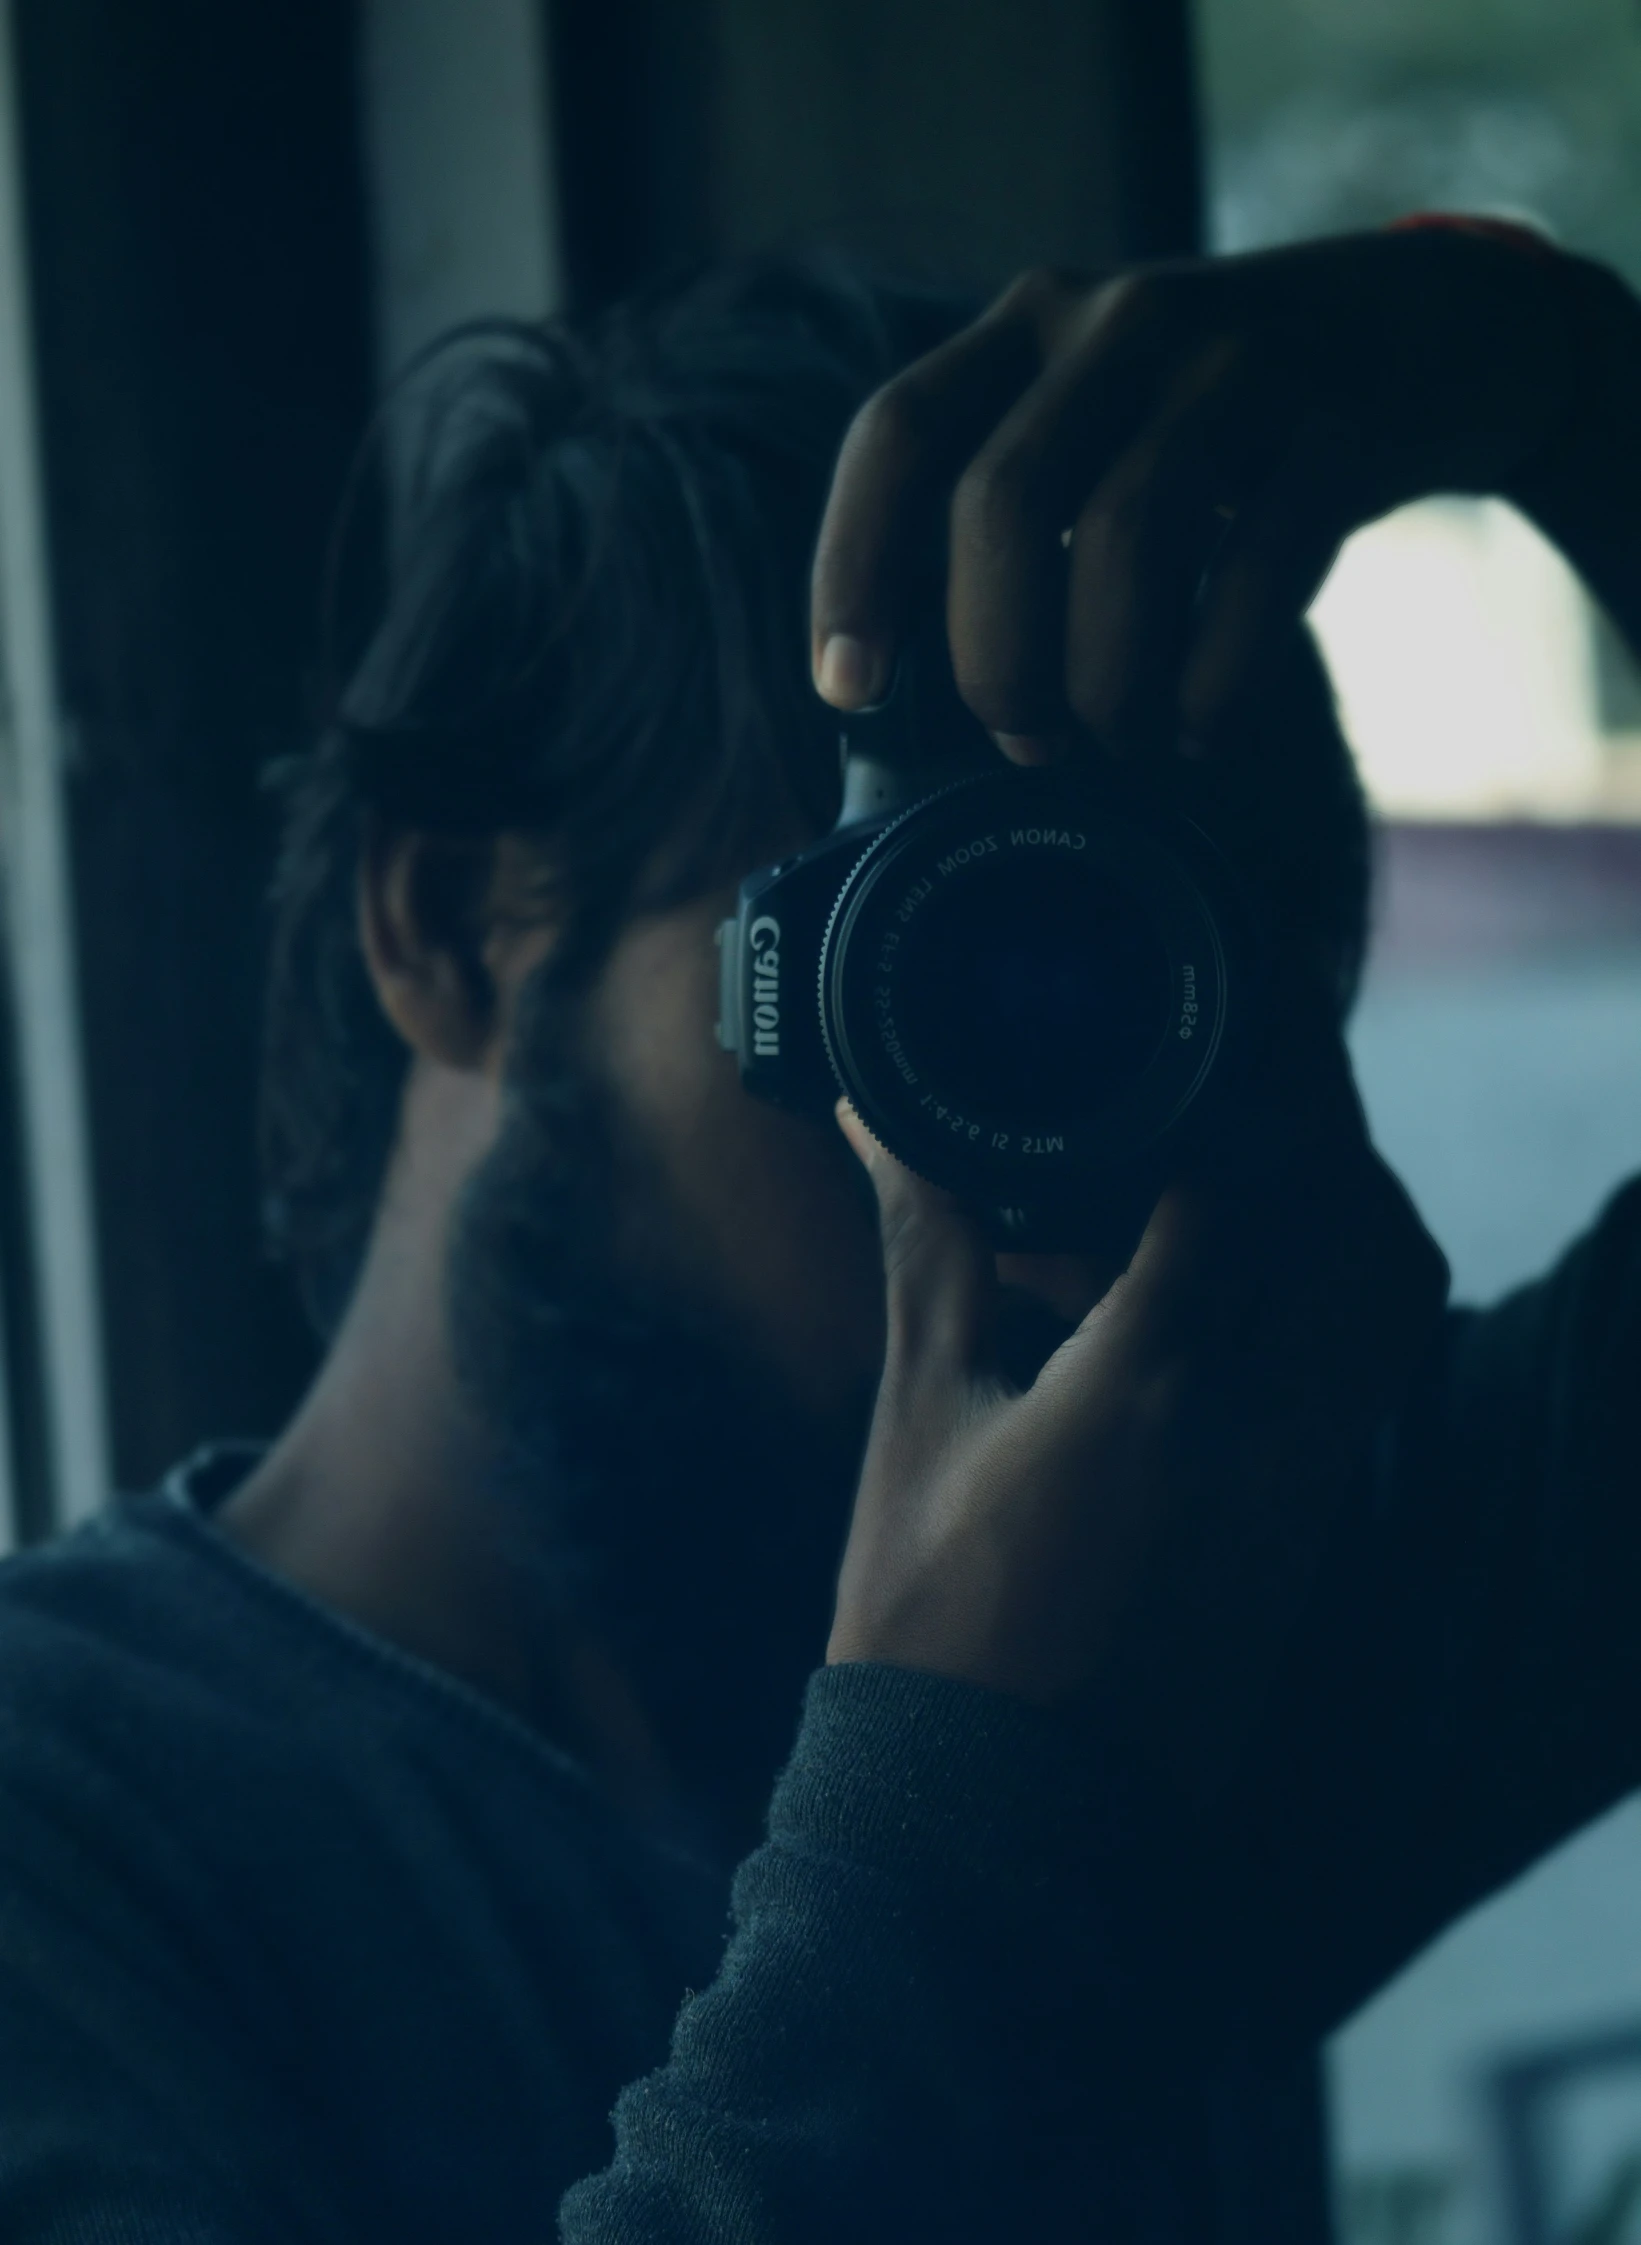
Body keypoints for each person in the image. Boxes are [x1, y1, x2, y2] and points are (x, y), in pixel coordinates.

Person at [0, 222, 1636, 2243]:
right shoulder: (59, 1852)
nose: (1064, 1188)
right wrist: (970, 1818)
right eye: (942, 968)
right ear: (448, 925)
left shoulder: (1211, 1642)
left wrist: (1548, 376)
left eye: (1155, 1002)